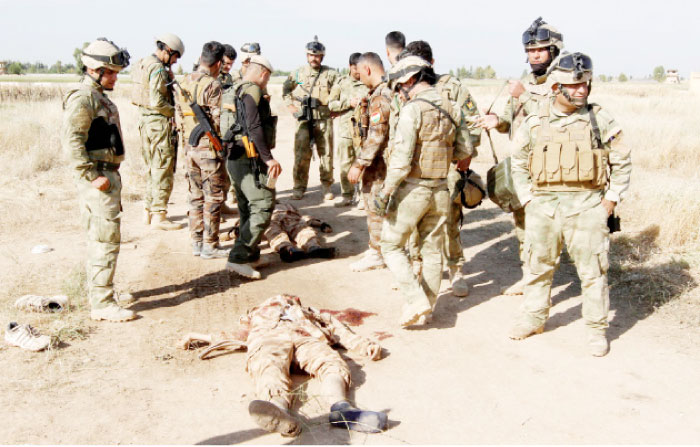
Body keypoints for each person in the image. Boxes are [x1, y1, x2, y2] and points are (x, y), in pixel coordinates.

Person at [508, 53, 631, 357]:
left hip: (587, 207)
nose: (581, 91)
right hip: (544, 208)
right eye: (574, 86)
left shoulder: (599, 119)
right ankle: (534, 318)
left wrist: (610, 200)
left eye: (585, 85)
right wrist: (527, 199)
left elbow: (622, 161)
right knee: (538, 267)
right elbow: (518, 162)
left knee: (593, 273)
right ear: (555, 88)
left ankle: (596, 330)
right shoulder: (537, 120)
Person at [179, 294, 388, 437]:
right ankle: (277, 410)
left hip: (306, 337)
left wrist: (362, 344)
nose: (281, 298)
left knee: (330, 362)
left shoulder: (309, 312)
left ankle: (342, 408)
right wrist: (197, 336)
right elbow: (234, 336)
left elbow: (338, 328)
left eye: (287, 297)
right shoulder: (255, 315)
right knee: (269, 366)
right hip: (269, 338)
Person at [376, 56, 476, 327]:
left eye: (399, 87)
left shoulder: (413, 110)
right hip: (441, 188)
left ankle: (415, 299)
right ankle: (428, 310)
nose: (399, 92)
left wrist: (385, 192)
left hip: (413, 189)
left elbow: (400, 161)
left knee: (391, 245)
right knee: (432, 250)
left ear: (410, 80)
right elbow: (466, 149)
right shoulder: (452, 107)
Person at [476, 17, 564, 296]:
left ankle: (542, 283)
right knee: (523, 224)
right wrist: (495, 121)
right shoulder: (525, 82)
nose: (534, 55)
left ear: (554, 50)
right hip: (523, 167)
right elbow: (509, 118)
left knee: (545, 229)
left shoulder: (564, 81)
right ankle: (529, 277)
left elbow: (556, 117)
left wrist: (524, 95)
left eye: (540, 50)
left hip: (551, 168)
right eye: (530, 51)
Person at [61, 38, 136, 322]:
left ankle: (101, 292)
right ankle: (102, 303)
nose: (115, 77)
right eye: (111, 72)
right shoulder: (84, 97)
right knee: (104, 240)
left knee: (104, 238)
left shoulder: (96, 96)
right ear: (94, 69)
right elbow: (71, 142)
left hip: (106, 174)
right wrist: (91, 176)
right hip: (99, 177)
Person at [402, 40, 481, 297]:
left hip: (447, 167)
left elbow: (474, 122)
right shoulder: (405, 88)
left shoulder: (452, 87)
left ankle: (456, 269)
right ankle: (417, 269)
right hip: (415, 169)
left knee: (449, 220)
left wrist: (466, 154)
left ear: (432, 64)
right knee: (413, 221)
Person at [223, 55, 281, 279]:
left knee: (247, 207)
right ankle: (238, 257)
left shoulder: (234, 88)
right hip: (248, 158)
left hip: (234, 158)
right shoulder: (252, 90)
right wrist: (268, 158)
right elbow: (253, 124)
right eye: (267, 78)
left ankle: (252, 254)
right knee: (263, 204)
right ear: (264, 74)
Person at [176, 41, 228, 259]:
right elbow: (217, 121)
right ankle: (210, 245)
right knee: (213, 197)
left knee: (195, 196)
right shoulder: (213, 85)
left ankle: (196, 242)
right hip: (207, 149)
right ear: (217, 64)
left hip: (189, 147)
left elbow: (178, 115)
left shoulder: (183, 81)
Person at [132, 33, 185, 231]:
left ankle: (148, 210)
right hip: (159, 123)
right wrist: (174, 112)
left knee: (152, 168)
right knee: (163, 167)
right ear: (169, 51)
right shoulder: (157, 68)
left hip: (145, 122)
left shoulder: (142, 63)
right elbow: (157, 101)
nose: (175, 61)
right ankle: (159, 215)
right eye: (175, 57)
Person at [346, 52, 392, 272]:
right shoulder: (387, 90)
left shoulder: (381, 95)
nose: (359, 77)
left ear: (367, 70)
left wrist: (359, 164)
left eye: (360, 72)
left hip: (380, 164)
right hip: (383, 161)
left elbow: (377, 134)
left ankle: (377, 253)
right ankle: (379, 248)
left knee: (375, 205)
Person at [282, 36, 340, 201]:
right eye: (311, 55)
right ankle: (299, 187)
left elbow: (342, 87)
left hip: (323, 118)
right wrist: (291, 107)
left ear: (322, 57)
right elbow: (286, 89)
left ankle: (326, 185)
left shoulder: (329, 74)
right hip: (304, 118)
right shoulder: (299, 74)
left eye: (317, 56)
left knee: (326, 153)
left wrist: (335, 107)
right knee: (301, 154)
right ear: (307, 56)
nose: (314, 58)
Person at [328, 52, 369, 207]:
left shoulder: (367, 82)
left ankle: (363, 197)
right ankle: (347, 194)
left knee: (363, 163)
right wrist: (348, 102)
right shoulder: (341, 83)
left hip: (362, 131)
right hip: (345, 130)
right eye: (357, 68)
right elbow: (331, 104)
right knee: (345, 163)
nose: (359, 72)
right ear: (351, 67)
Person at [264, 202, 336, 262]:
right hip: (271, 219)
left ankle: (313, 248)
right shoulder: (259, 207)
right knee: (275, 233)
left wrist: (321, 224)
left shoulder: (286, 205)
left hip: (289, 218)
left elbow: (301, 218)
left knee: (303, 230)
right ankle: (288, 249)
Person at [219, 43, 239, 216]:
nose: (227, 67)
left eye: (231, 64)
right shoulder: (209, 76)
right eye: (225, 63)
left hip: (227, 127)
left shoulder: (228, 78)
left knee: (226, 168)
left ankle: (222, 202)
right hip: (213, 127)